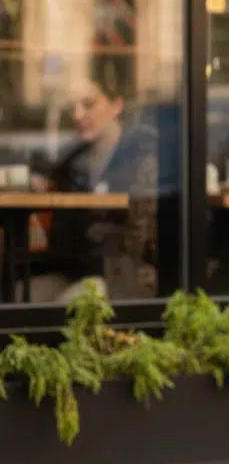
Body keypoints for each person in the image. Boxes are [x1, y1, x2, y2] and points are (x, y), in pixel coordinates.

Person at [33, 73, 157, 302]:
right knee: (22, 295)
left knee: (85, 295)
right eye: (73, 107)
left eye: (88, 104)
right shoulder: (70, 161)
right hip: (73, 271)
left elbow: (141, 242)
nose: (77, 115)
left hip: (123, 279)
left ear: (116, 105)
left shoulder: (141, 160)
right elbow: (62, 240)